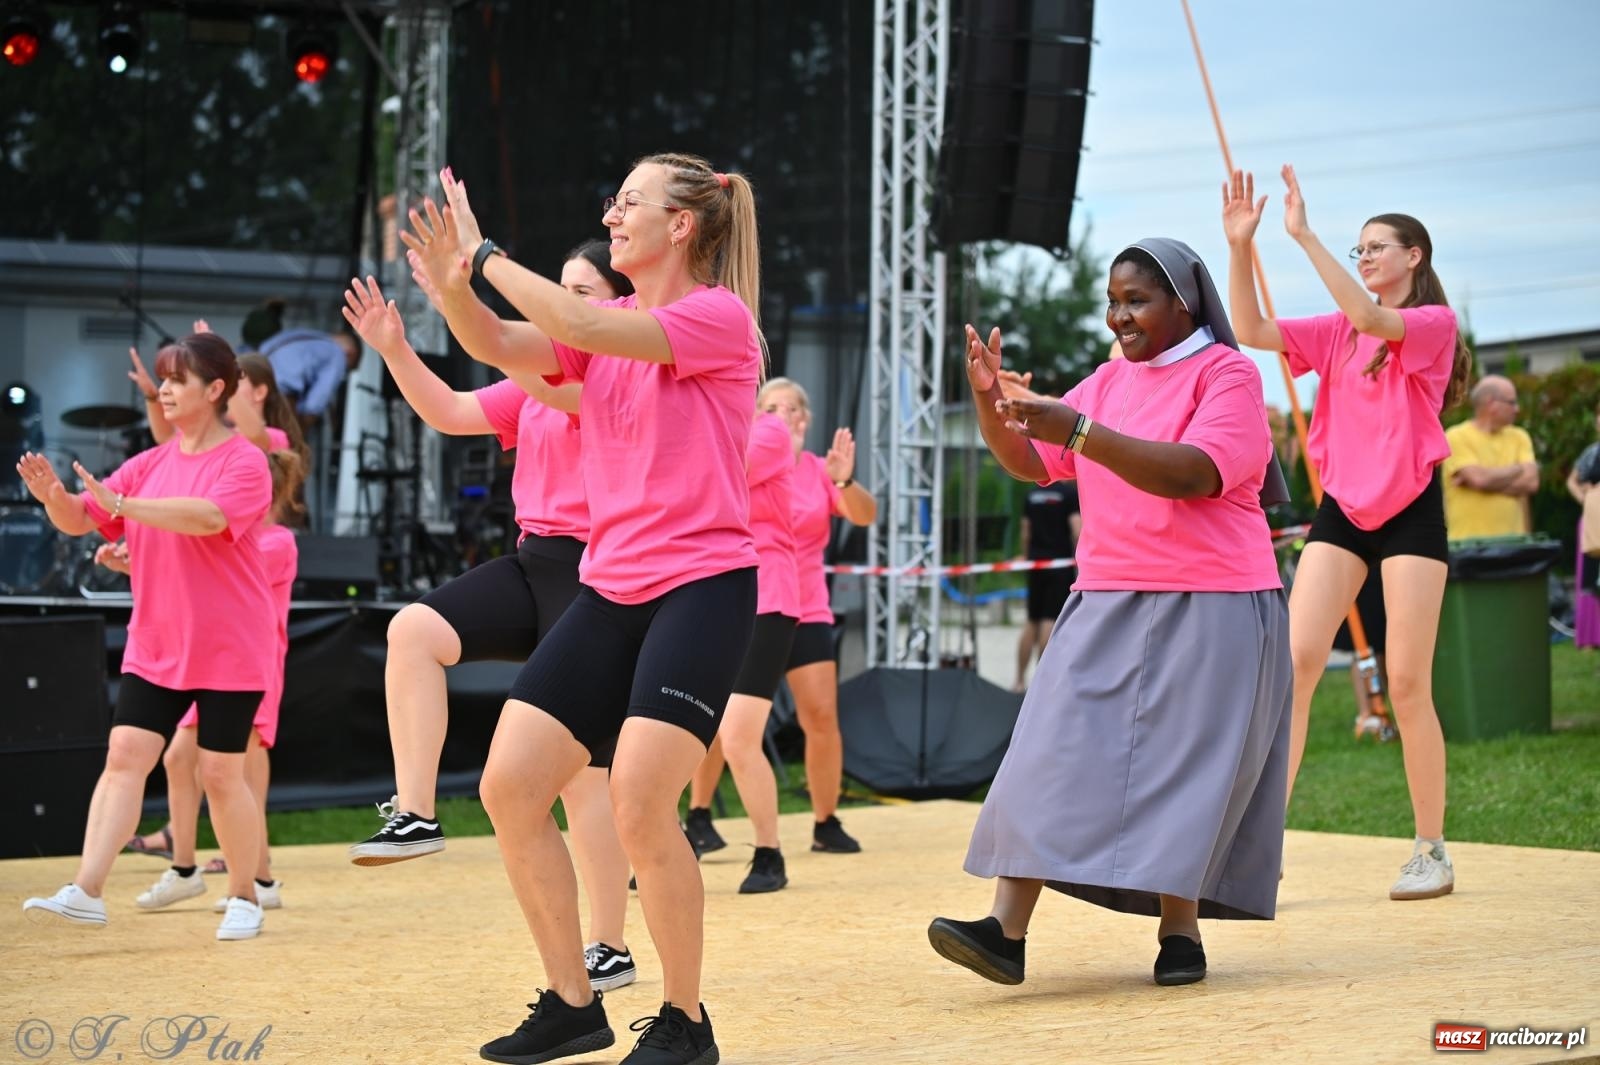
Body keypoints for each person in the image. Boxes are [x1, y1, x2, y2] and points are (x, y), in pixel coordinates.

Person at [404, 153, 760, 1065]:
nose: (612, 215)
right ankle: (573, 1002)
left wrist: (482, 251)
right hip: (613, 586)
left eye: (630, 203)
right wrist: (453, 288)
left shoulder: (717, 319)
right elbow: (496, 344)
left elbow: (566, 316)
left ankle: (686, 1021)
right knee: (508, 786)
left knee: (641, 803)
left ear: (684, 225)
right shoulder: (606, 333)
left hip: (703, 587)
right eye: (613, 201)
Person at [927, 238, 1291, 989]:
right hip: (1106, 593)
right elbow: (1035, 460)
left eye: (1136, 299)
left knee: (1187, 771)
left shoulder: (1229, 373)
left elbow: (1195, 472)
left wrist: (1077, 430)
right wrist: (996, 407)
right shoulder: (1103, 382)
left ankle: (1180, 932)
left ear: (1182, 302)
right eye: (1112, 300)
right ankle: (1005, 930)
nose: (1118, 315)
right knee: (1045, 748)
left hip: (1216, 597)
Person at [342, 240, 645, 993]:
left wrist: (463, 303)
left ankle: (609, 946)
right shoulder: (538, 376)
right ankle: (415, 811)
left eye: (580, 291)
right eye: (561, 287)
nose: (564, 300)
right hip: (534, 559)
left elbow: (552, 382)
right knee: (411, 630)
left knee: (584, 783)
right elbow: (448, 411)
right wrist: (395, 348)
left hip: (598, 572)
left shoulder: (619, 373)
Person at [1223, 166, 1473, 900]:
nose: (1364, 257)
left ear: (1414, 257)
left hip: (1411, 511)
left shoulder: (1431, 325)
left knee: (1404, 681)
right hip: (1344, 512)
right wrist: (1242, 247)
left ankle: (1431, 848)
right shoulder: (1335, 329)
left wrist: (1303, 236)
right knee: (1293, 665)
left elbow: (1371, 321)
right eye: (1358, 248)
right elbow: (1251, 330)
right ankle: (1259, 847)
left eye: (1376, 247)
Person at [18, 333, 276, 940]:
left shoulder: (244, 461)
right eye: (162, 379)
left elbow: (210, 518)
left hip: (229, 646)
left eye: (176, 380)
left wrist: (126, 507)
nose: (162, 390)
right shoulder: (150, 465)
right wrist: (54, 497)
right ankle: (87, 889)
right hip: (158, 643)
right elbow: (85, 516)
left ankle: (245, 895)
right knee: (126, 755)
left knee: (219, 774)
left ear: (214, 391)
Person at [684, 377, 876, 857]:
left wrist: (844, 480)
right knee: (720, 717)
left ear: (804, 419)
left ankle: (825, 820)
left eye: (788, 408)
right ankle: (700, 813)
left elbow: (865, 515)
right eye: (767, 407)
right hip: (749, 600)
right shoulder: (745, 461)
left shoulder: (816, 470)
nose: (778, 415)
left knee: (820, 716)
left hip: (804, 604)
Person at [107, 448, 303, 910]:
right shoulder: (237, 537)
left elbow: (219, 576)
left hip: (248, 664)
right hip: (208, 659)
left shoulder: (274, 542)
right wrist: (132, 564)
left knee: (237, 773)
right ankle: (185, 867)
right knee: (181, 759)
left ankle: (259, 879)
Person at [685, 407, 800, 894]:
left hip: (768, 598)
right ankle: (691, 826)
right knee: (686, 728)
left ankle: (769, 852)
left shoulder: (768, 429)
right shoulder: (700, 424)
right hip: (714, 596)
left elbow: (719, 473)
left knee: (737, 737)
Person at [1441, 375, 1538, 539]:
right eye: (1512, 402)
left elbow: (1531, 483)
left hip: (1516, 544)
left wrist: (1482, 483)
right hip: (1467, 547)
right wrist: (1519, 469)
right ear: (1492, 403)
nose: (1517, 409)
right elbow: (1479, 479)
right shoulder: (1455, 436)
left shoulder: (1520, 436)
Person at [241, 296, 362, 426]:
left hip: (253, 378)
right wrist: (302, 429)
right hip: (280, 394)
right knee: (283, 440)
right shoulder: (338, 354)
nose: (343, 369)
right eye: (347, 368)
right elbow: (317, 399)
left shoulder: (310, 337)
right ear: (350, 353)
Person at [1013, 479, 1080, 692]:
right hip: (1060, 565)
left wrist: (1026, 555)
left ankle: (1019, 680)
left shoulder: (1032, 494)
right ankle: (1041, 686)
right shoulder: (1069, 495)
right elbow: (1077, 530)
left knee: (1032, 621)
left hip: (1036, 563)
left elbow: (1025, 531)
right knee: (1050, 622)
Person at [1566, 402, 1600, 649]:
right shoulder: (1593, 452)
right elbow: (1573, 481)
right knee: (1594, 583)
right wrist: (1586, 499)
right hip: (1594, 526)